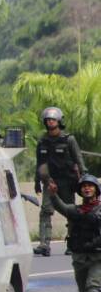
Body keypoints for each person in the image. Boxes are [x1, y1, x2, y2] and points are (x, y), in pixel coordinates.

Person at [47, 175, 101, 292]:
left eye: (90, 185)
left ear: (96, 189)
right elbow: (61, 207)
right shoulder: (75, 210)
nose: (87, 188)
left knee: (93, 291)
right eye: (84, 186)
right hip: (80, 259)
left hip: (98, 258)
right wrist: (53, 194)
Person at [35, 107, 87, 257]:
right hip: (49, 181)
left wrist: (84, 175)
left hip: (67, 181)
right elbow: (39, 163)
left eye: (53, 119)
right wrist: (37, 181)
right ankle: (44, 244)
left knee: (70, 211)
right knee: (45, 211)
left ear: (59, 121)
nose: (50, 122)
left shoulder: (69, 139)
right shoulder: (42, 141)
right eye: (48, 120)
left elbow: (79, 158)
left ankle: (72, 243)